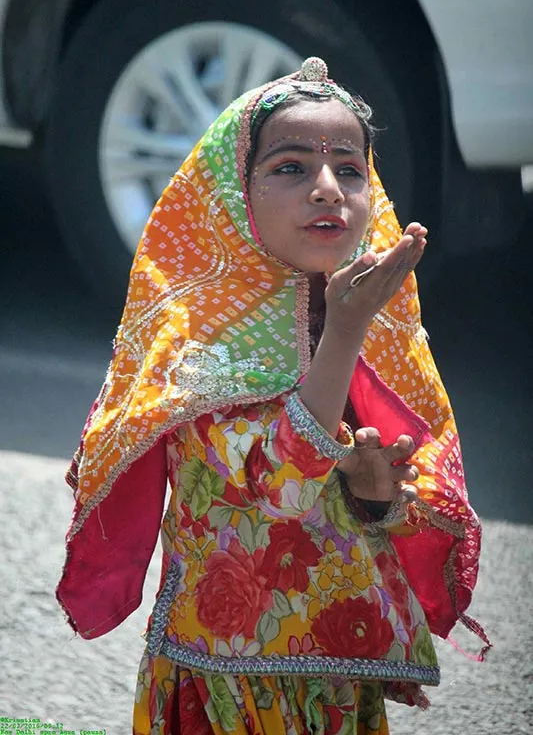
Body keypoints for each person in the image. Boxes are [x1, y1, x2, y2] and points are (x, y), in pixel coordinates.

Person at [57, 57, 489, 735]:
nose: (328, 189)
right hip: (228, 682)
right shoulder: (196, 336)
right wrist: (344, 329)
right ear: (233, 193)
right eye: (291, 167)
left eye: (350, 169)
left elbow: (390, 507)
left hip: (339, 675)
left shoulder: (377, 327)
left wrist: (377, 497)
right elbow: (276, 488)